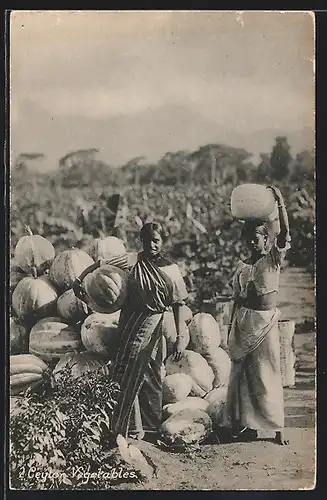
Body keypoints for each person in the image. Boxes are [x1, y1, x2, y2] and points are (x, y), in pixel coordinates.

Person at [108, 222, 189, 442]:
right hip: (129, 323)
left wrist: (181, 338)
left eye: (156, 240)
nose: (152, 245)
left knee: (152, 373)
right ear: (141, 241)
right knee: (127, 371)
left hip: (154, 325)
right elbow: (102, 265)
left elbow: (179, 304)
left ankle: (152, 429)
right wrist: (80, 280)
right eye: (147, 240)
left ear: (163, 242)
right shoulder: (132, 260)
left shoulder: (170, 269)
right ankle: (129, 429)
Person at [223, 186, 291, 446]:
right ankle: (249, 425)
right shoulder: (242, 267)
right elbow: (236, 298)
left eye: (258, 238)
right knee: (247, 376)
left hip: (266, 322)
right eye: (249, 238)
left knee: (270, 372)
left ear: (266, 240)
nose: (254, 242)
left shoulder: (272, 259)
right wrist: (231, 326)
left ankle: (277, 427)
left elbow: (284, 234)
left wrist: (281, 203)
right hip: (244, 322)